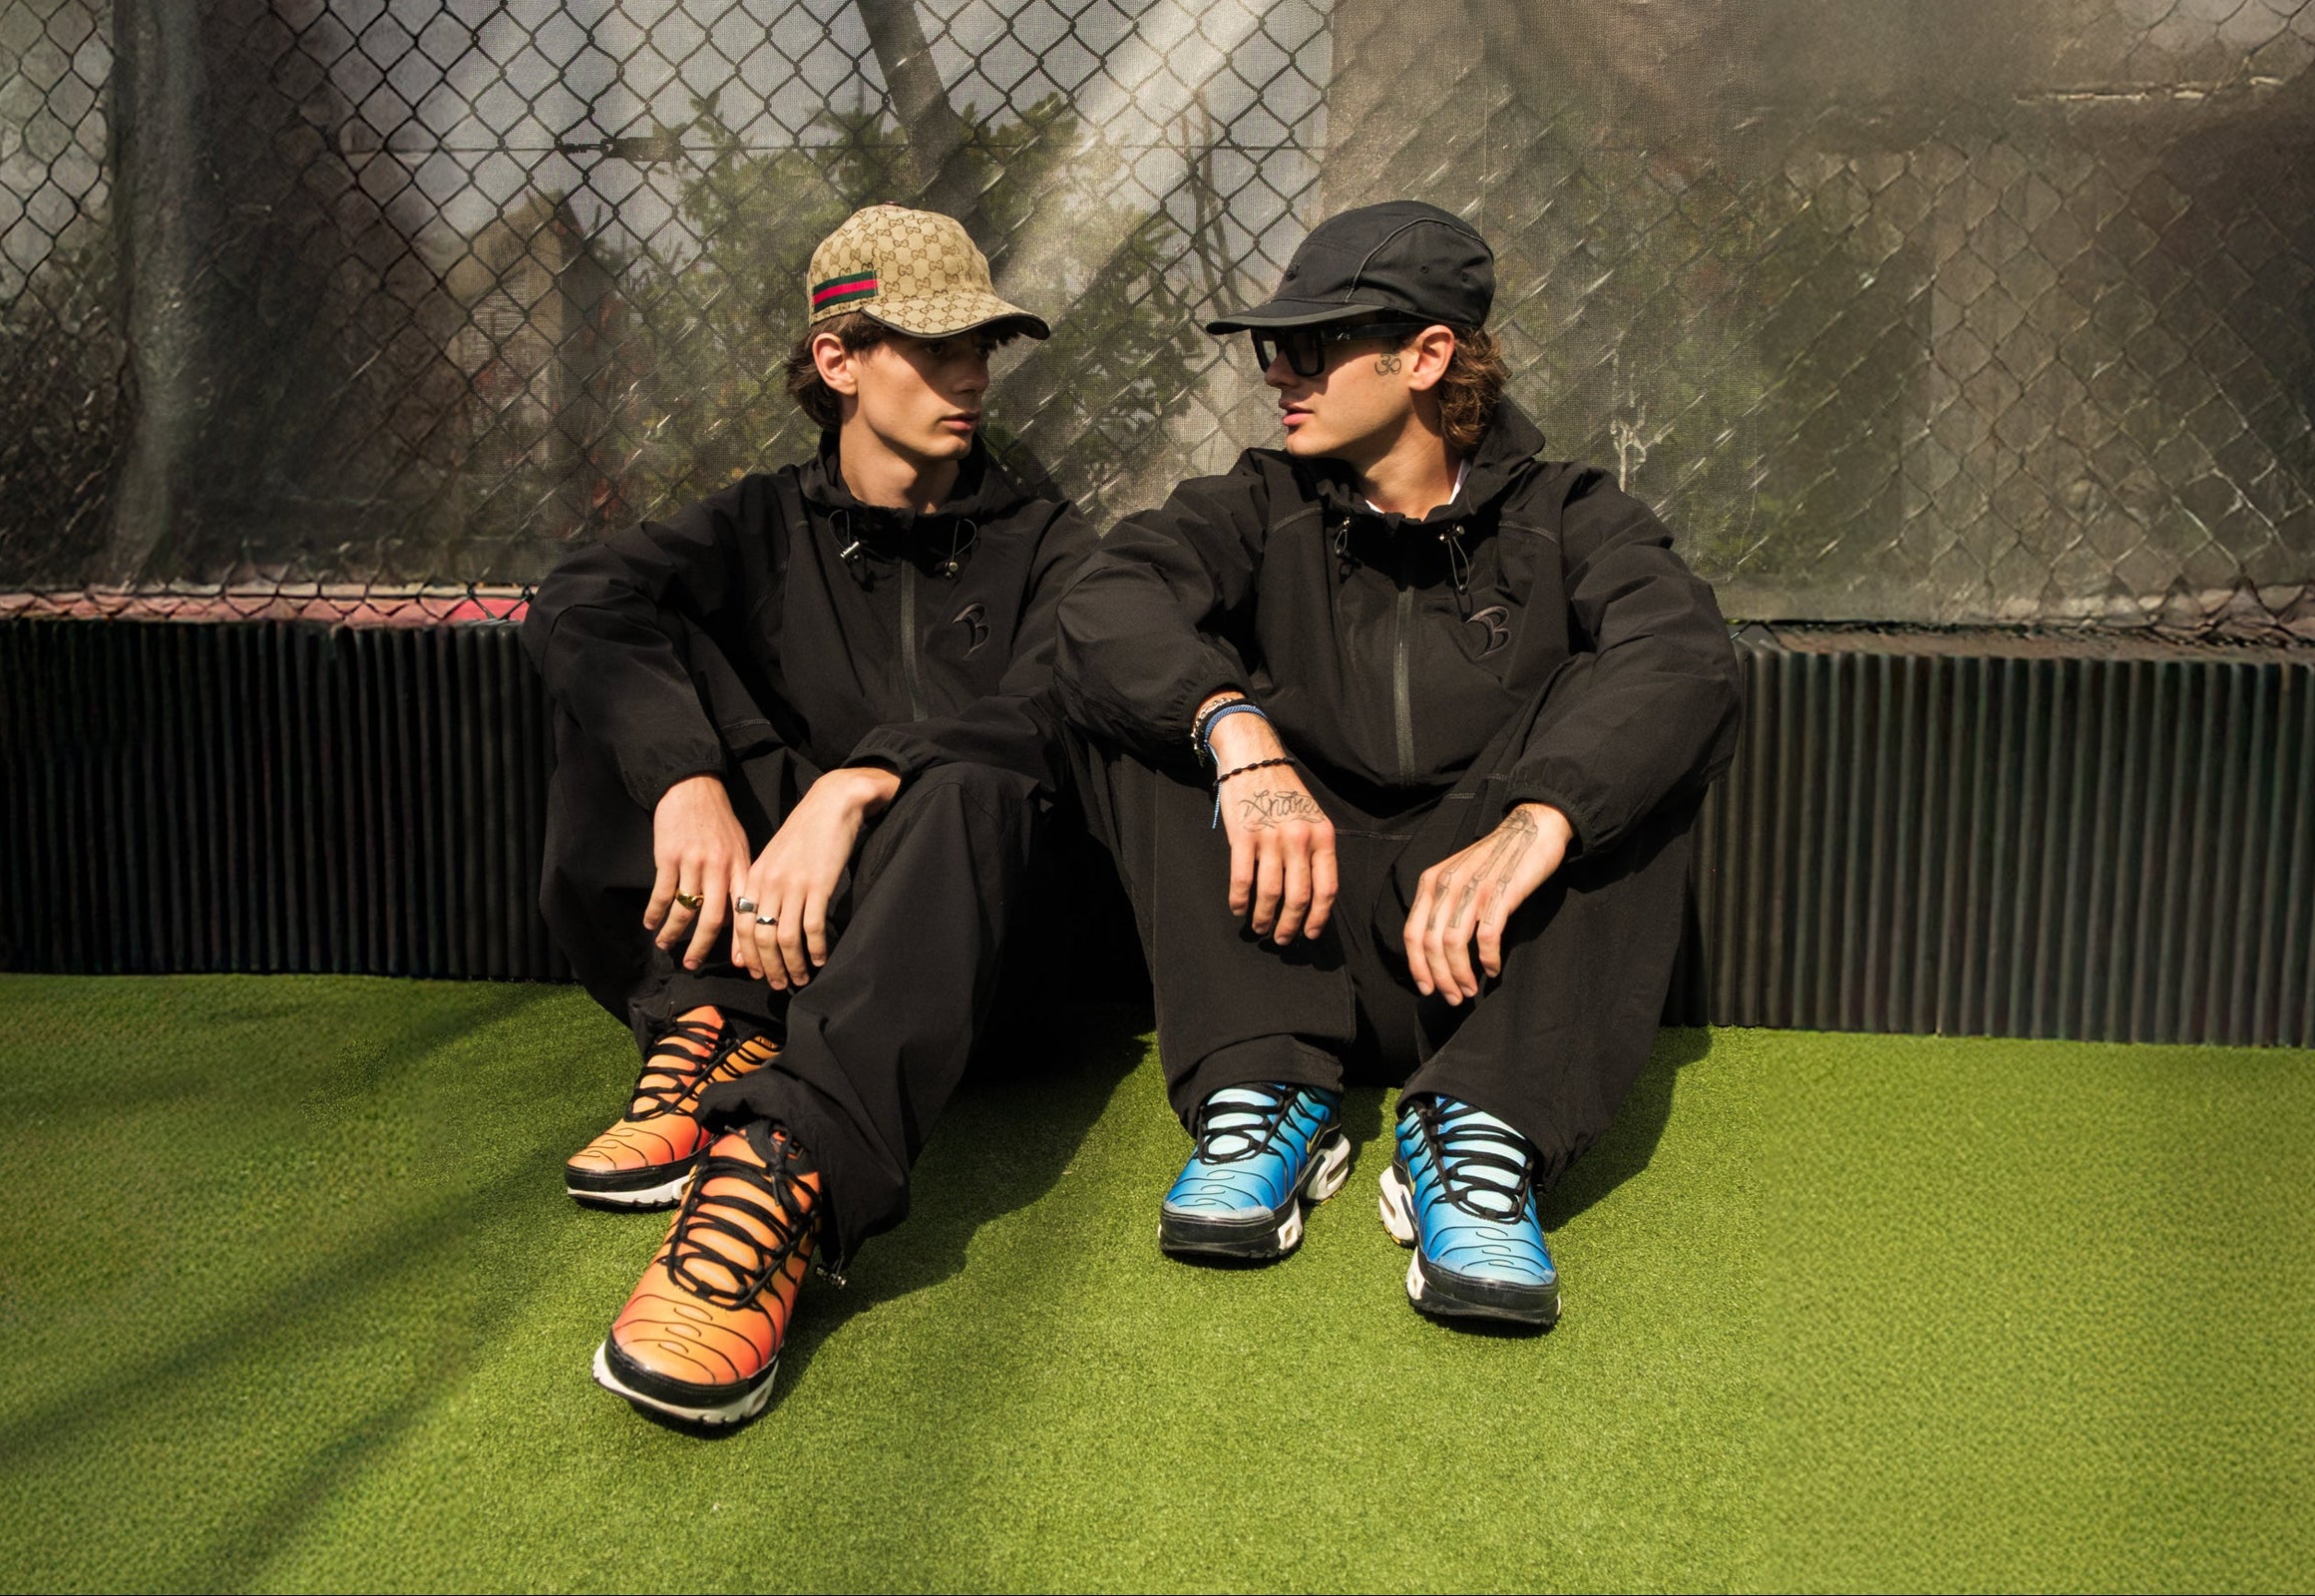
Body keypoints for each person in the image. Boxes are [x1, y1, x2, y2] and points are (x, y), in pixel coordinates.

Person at [1052, 200, 1740, 1326]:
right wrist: (1234, 728)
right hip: (1289, 931)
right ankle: (1263, 1090)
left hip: (1484, 968)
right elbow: (1101, 604)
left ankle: (1480, 1132)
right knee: (1152, 688)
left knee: (1627, 724)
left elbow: (1686, 657)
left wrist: (1539, 818)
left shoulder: (1571, 515)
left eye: (1317, 343)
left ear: (1425, 356)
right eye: (1275, 346)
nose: (1282, 372)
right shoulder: (1255, 504)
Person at [523, 203, 1088, 1424]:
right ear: (839, 360)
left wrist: (861, 778)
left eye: (983, 346)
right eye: (936, 348)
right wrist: (686, 778)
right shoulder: (759, 523)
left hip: (972, 966)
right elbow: (580, 597)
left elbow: (1056, 700)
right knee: (627, 640)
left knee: (983, 772)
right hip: (782, 930)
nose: (973, 375)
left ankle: (783, 1168)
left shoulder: (1045, 539)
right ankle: (712, 1017)